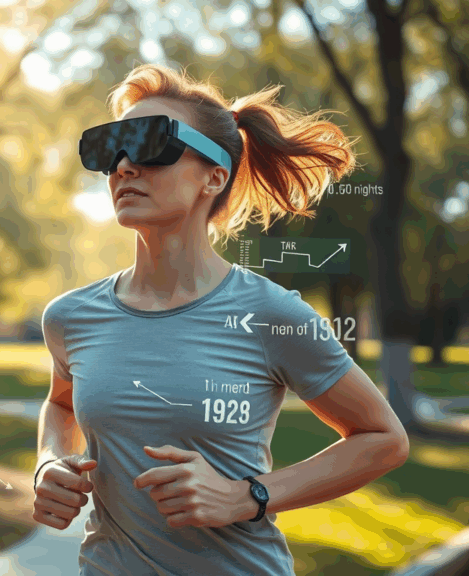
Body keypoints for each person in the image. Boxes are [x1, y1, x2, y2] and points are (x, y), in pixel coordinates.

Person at [33, 64, 410, 576]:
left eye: (149, 145)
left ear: (215, 175)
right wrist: (49, 461)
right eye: (113, 148)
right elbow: (60, 404)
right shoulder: (71, 316)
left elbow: (383, 438)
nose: (123, 166)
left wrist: (245, 496)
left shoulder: (272, 314)